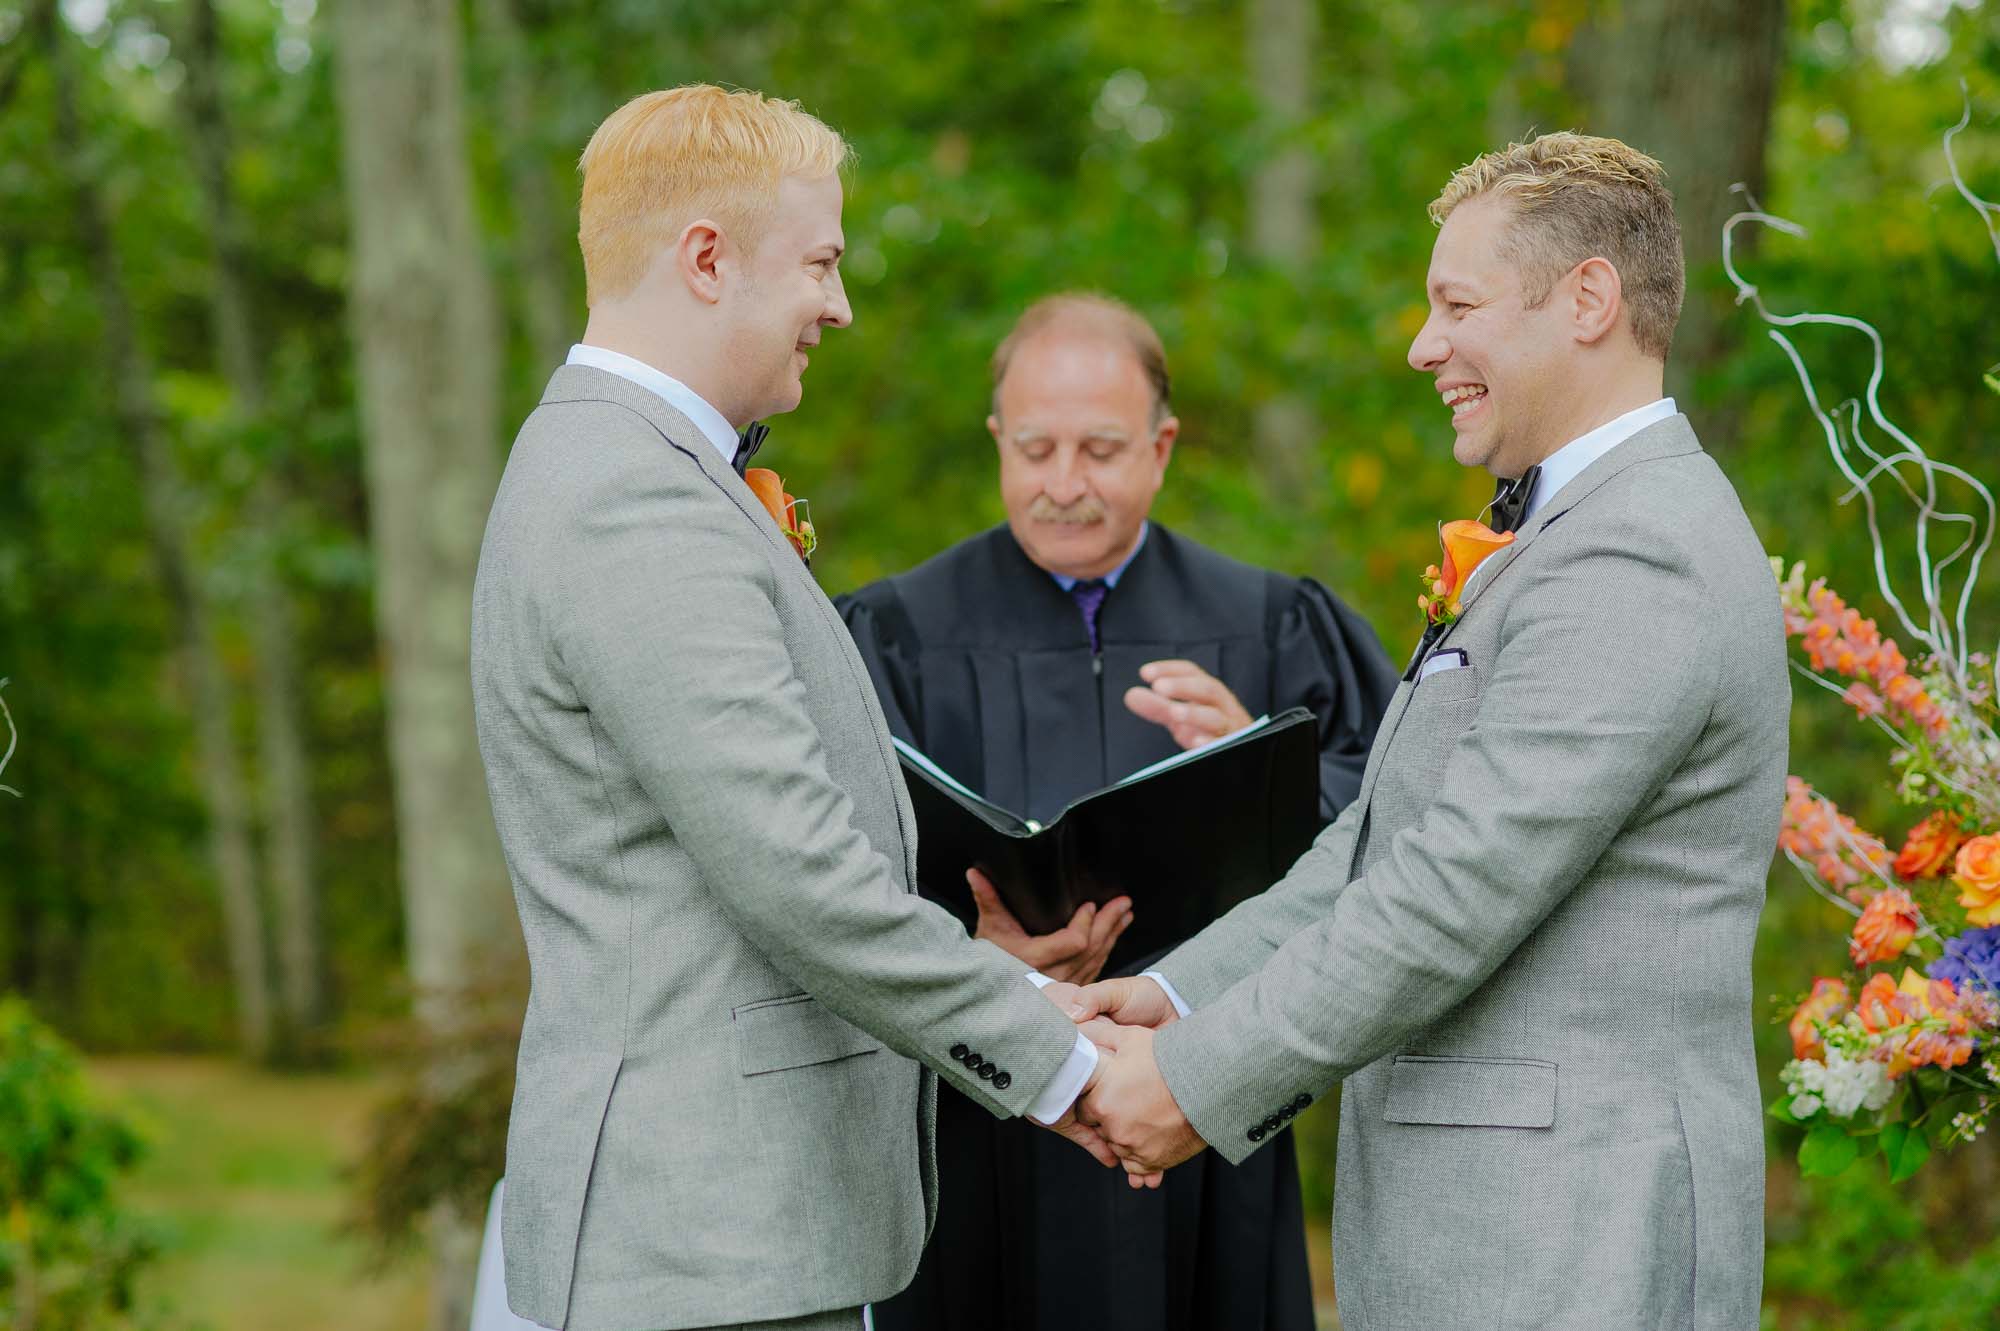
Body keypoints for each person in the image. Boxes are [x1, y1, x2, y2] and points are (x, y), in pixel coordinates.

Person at [1067, 132, 1789, 1330]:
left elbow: (1460, 885)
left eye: (1455, 303)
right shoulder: (1563, 537)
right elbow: (1380, 848)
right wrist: (1177, 998)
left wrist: (1194, 1085)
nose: (1421, 345)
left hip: (1570, 1241)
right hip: (1487, 1238)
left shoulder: (1639, 549)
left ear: (1587, 300)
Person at [470, 86, 1130, 1331]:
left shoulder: (635, 468)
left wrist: (982, 967)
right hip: (699, 1241)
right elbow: (790, 869)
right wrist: (1059, 1054)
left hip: (729, 1235)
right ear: (706, 259)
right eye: (820, 263)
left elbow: (709, 881)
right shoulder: (632, 498)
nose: (838, 303)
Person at [835, 292, 1397, 1331]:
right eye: (1034, 447)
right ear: (997, 438)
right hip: (985, 1100)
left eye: (1098, 448)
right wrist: (972, 942)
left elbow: (1395, 826)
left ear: (1161, 444)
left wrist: (1264, 762)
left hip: (1198, 1087)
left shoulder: (1271, 625)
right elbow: (832, 854)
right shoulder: (897, 629)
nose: (1062, 484)